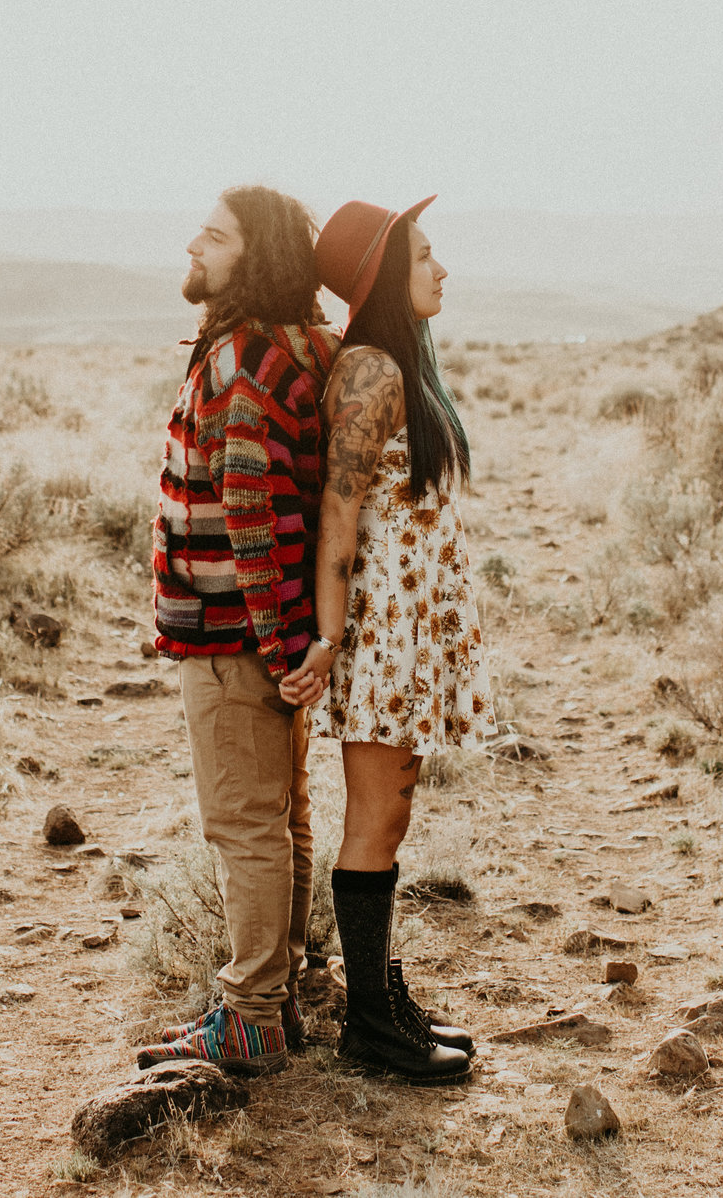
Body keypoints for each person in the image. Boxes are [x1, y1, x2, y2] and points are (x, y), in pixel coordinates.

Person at [281, 196, 487, 1085]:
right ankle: (370, 1021)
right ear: (383, 281)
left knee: (392, 809)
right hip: (381, 629)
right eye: (425, 257)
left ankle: (381, 994)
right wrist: (331, 638)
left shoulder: (399, 363)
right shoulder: (369, 367)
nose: (442, 269)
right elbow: (339, 508)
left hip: (411, 623)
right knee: (375, 814)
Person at [135, 186, 337, 1076]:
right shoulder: (286, 349)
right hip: (268, 637)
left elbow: (251, 517)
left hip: (235, 639)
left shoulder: (243, 365)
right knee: (281, 818)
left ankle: (253, 1013)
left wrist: (278, 645)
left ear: (252, 257)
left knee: (245, 825)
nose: (194, 245)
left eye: (213, 236)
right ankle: (280, 993)